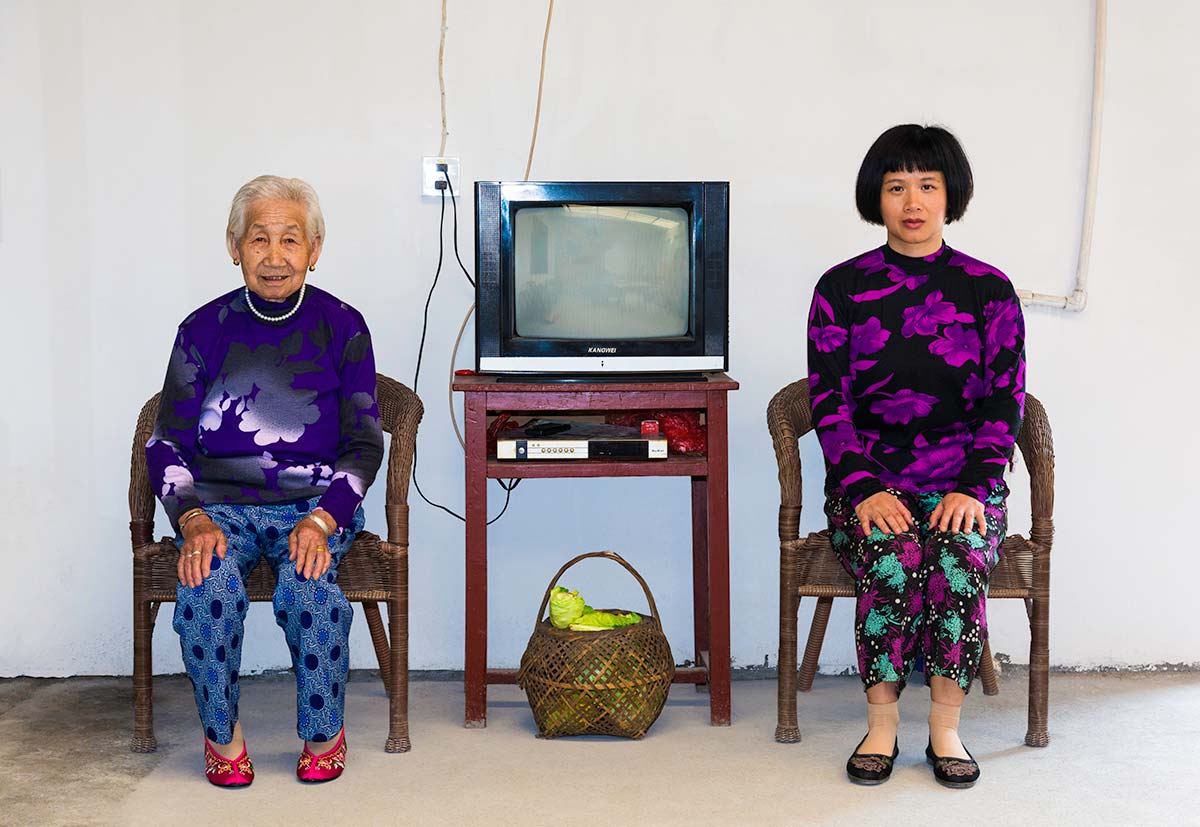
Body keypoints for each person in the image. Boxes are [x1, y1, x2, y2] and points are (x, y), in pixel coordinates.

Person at [146, 175, 384, 786]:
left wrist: (326, 517)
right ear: (234, 246)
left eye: (290, 240)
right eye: (259, 239)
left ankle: (324, 729)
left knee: (309, 591)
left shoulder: (343, 326)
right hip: (218, 505)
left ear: (314, 249)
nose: (274, 256)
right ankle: (222, 735)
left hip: (314, 502)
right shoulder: (201, 330)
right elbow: (165, 440)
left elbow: (363, 444)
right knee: (206, 590)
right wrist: (191, 518)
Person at [807, 125, 1025, 788]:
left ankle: (944, 726)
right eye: (897, 185)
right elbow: (828, 402)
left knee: (956, 558)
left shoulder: (989, 290)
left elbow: (1004, 399)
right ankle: (880, 723)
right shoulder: (840, 288)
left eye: (927, 185)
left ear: (948, 195)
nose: (912, 200)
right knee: (890, 555)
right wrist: (865, 487)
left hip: (966, 483)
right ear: (876, 196)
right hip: (870, 483)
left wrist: (974, 487)